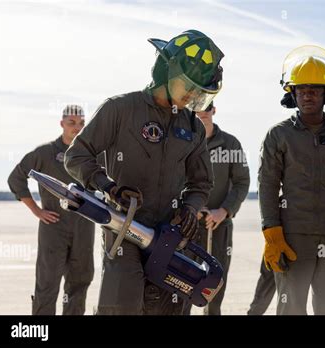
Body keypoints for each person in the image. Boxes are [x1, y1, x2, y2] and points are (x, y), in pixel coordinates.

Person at [64, 30, 224, 315]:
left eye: (198, 90)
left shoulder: (193, 127)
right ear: (166, 70)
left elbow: (202, 182)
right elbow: (77, 155)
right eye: (187, 85)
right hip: (125, 230)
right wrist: (109, 187)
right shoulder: (120, 109)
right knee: (120, 307)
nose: (192, 95)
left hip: (172, 237)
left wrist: (190, 209)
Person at [258, 45, 325, 315]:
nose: (308, 95)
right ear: (292, 93)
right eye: (302, 89)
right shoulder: (278, 136)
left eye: (315, 89)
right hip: (292, 238)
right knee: (291, 309)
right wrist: (272, 233)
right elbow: (268, 186)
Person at [8, 105, 95, 315]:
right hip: (53, 226)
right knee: (47, 283)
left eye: (81, 123)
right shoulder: (45, 153)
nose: (77, 127)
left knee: (79, 282)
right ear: (62, 123)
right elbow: (16, 178)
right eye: (72, 123)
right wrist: (37, 211)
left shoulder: (90, 155)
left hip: (84, 226)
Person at [194, 102, 250, 315]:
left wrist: (224, 210)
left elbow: (242, 182)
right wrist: (191, 206)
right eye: (196, 109)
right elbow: (172, 179)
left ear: (214, 110)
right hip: (186, 223)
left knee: (215, 284)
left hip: (219, 225)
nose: (202, 113)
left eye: (206, 108)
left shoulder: (230, 143)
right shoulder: (182, 141)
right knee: (180, 282)